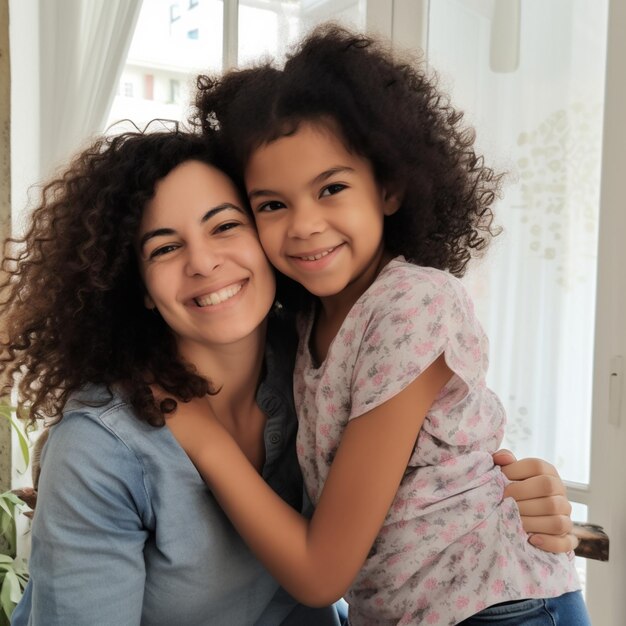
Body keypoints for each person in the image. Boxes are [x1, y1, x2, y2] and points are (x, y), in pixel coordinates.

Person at [164, 25, 591, 625]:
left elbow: (321, 574)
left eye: (332, 188)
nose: (305, 225)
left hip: (501, 608)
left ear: (388, 186)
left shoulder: (410, 306)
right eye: (272, 204)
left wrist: (199, 431)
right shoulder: (302, 321)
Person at [3, 129, 342, 626]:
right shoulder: (99, 446)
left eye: (225, 226)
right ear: (138, 286)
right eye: (164, 249)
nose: (203, 262)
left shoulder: (319, 369)